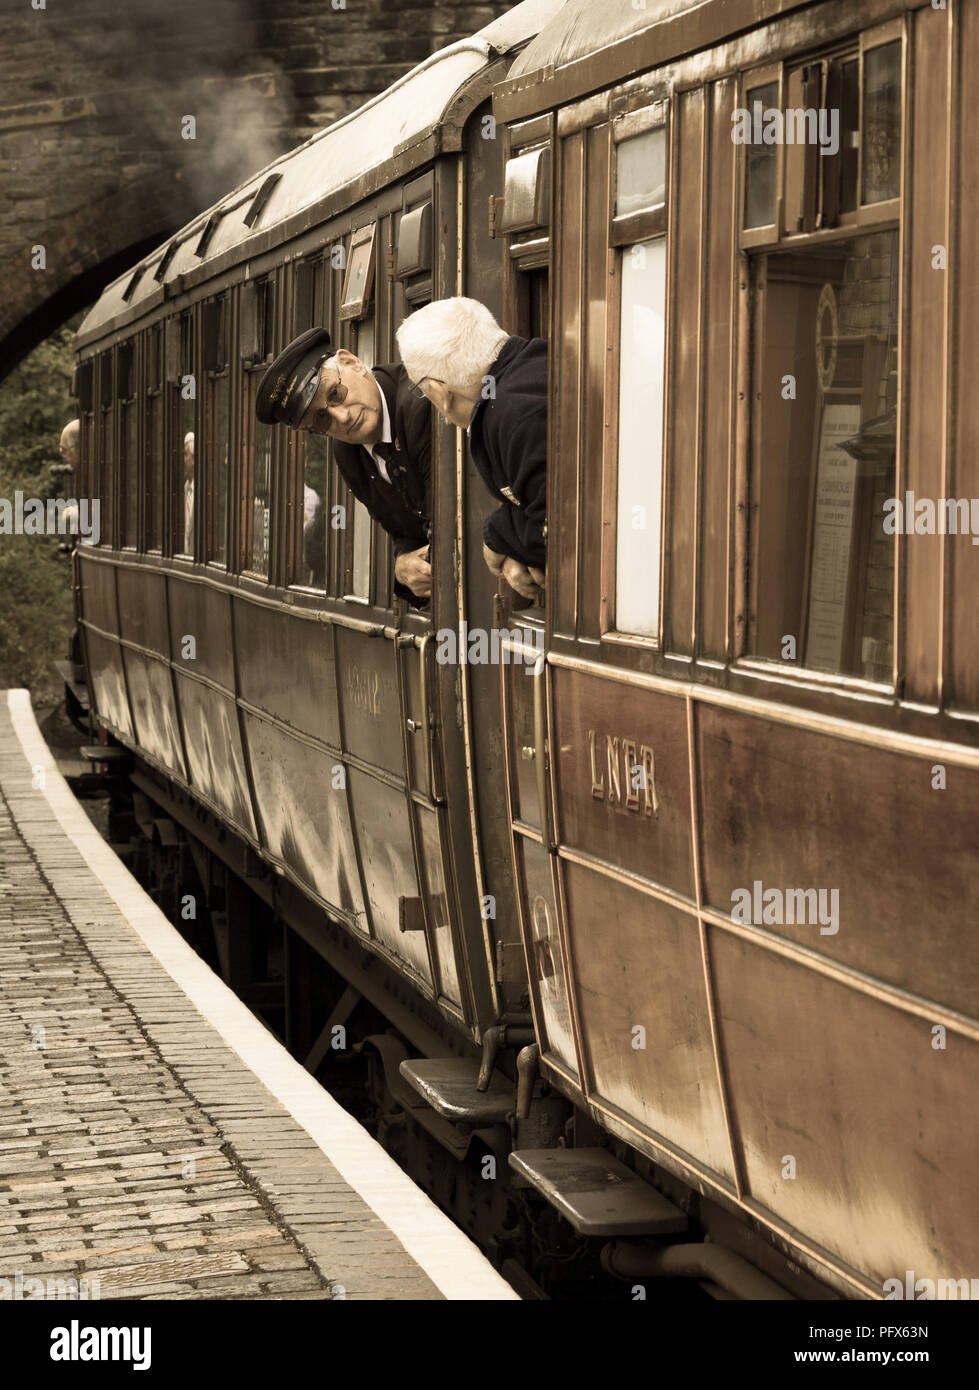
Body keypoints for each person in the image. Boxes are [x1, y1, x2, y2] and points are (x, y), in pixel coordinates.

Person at [255, 327, 431, 601]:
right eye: (323, 420)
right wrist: (402, 566)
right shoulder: (347, 453)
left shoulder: (419, 402)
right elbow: (403, 531)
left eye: (336, 394)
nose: (344, 417)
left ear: (352, 363)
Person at [396, 297, 547, 603]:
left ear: (440, 392)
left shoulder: (513, 418)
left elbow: (564, 529)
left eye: (423, 392)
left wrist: (496, 536)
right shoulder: (534, 364)